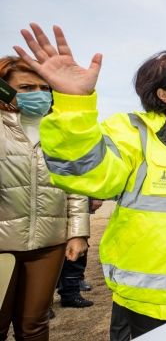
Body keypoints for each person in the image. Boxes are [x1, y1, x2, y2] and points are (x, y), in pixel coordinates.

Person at [14, 23, 166, 337]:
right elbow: (88, 177)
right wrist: (74, 103)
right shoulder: (131, 130)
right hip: (150, 296)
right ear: (163, 93)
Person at [0, 55, 90, 341]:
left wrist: (78, 233)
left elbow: (74, 186)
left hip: (49, 244)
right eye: (26, 87)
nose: (38, 94)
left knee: (35, 324)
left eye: (44, 87)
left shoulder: (59, 131)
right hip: (3, 246)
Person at [56, 197, 100, 308]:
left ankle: (71, 294)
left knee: (77, 252)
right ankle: (44, 304)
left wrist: (97, 197)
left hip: (74, 201)